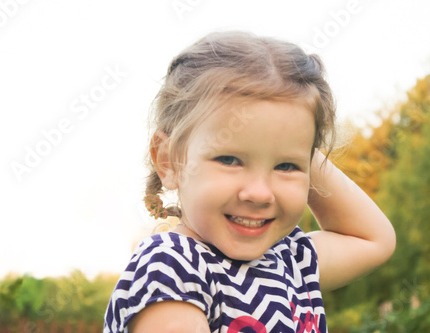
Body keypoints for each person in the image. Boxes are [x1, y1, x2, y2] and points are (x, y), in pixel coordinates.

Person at [103, 30, 396, 333]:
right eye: (229, 160)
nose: (259, 193)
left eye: (286, 165)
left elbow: (374, 240)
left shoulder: (288, 261)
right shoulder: (171, 267)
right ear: (170, 161)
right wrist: (284, 145)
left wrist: (299, 138)